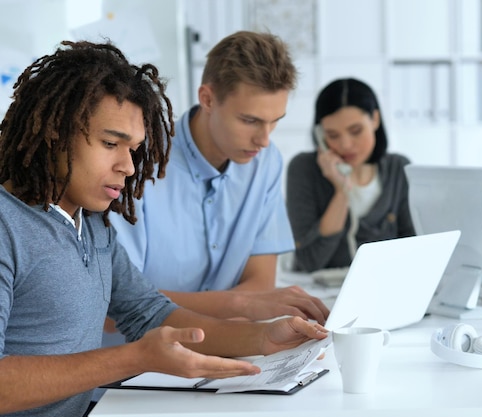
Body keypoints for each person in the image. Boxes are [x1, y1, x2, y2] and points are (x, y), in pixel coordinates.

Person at [0, 40, 327, 417]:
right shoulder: (8, 227)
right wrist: (133, 358)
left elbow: (151, 313)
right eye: (111, 143)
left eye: (134, 150)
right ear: (54, 132)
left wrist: (263, 337)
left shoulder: (90, 225)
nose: (129, 166)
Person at [108, 31, 329, 324]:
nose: (264, 139)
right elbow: (113, 306)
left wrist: (237, 317)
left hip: (221, 347)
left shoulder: (266, 161)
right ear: (208, 99)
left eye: (274, 122)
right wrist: (237, 305)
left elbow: (260, 282)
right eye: (250, 121)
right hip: (138, 360)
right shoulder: (135, 158)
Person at [286, 78, 415, 272]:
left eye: (356, 131)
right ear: (320, 135)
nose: (345, 145)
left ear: (375, 119)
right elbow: (308, 262)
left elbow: (415, 251)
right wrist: (341, 192)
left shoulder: (399, 169)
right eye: (332, 135)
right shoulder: (303, 168)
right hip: (321, 294)